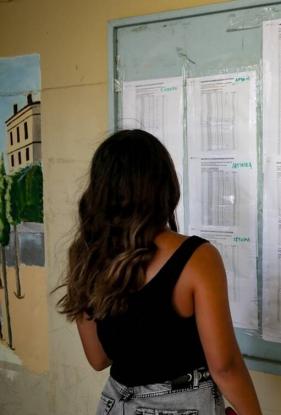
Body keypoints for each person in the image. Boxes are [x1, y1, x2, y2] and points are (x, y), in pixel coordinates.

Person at [55, 129, 262, 415]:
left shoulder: (87, 256)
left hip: (115, 405)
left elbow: (98, 358)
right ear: (165, 186)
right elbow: (224, 367)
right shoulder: (197, 258)